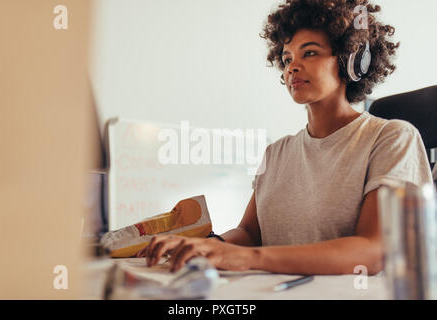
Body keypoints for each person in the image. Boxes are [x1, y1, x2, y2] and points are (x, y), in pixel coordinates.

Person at [137, 0, 434, 275]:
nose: (292, 66)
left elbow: (373, 251)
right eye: (287, 57)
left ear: (351, 60)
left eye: (310, 52)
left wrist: (248, 259)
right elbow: (250, 234)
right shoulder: (275, 153)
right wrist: (204, 245)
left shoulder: (392, 137)